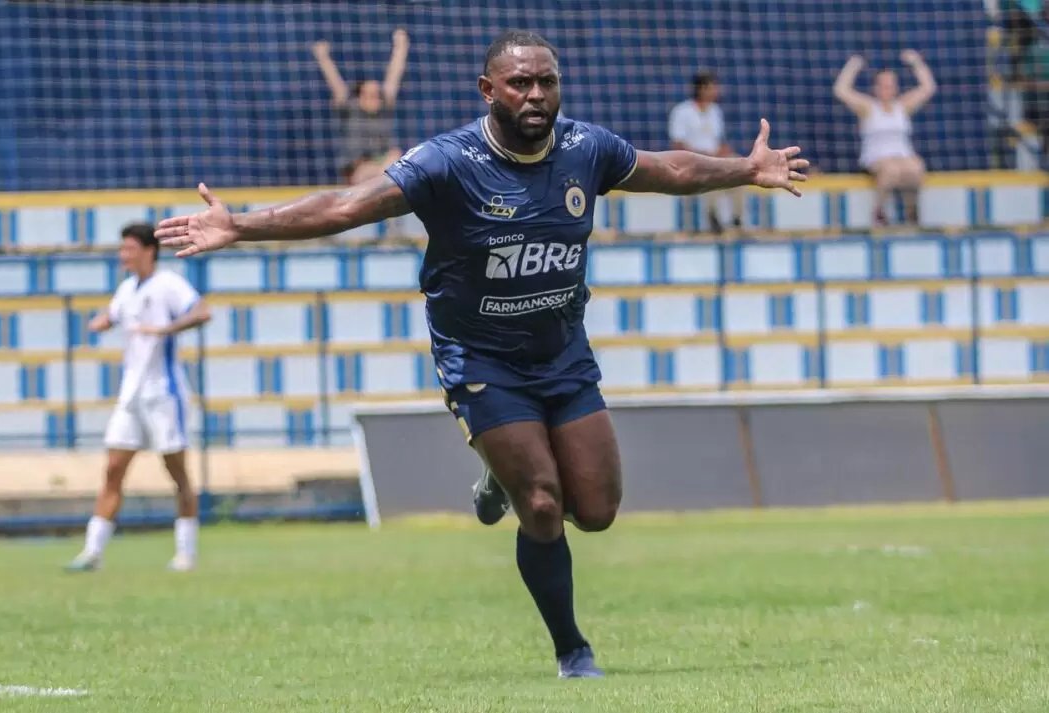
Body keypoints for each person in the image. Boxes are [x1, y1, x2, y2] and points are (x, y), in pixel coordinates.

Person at [157, 30, 807, 677]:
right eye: (520, 83)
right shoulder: (448, 162)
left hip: (562, 355)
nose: (536, 94)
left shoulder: (586, 148)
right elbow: (347, 205)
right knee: (543, 503)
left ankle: (501, 474)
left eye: (546, 82)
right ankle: (572, 649)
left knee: (598, 511)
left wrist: (748, 169)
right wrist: (242, 224)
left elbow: (672, 169)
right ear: (488, 90)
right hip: (480, 360)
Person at [65, 224, 211, 573]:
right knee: (113, 469)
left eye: (129, 249)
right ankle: (92, 552)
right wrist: (102, 322)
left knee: (176, 472)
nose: (124, 255)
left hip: (164, 393)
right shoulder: (127, 289)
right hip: (131, 394)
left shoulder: (168, 283)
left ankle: (186, 553)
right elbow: (115, 315)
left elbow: (202, 312)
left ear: (149, 251)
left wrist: (164, 329)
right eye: (122, 249)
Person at [833, 50, 937, 226]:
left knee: (916, 168)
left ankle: (912, 211)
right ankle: (879, 211)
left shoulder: (902, 106)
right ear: (876, 87)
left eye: (891, 85)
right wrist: (852, 66)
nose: (887, 88)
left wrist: (916, 62)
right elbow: (841, 91)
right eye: (883, 85)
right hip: (876, 157)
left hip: (903, 155)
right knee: (891, 171)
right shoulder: (868, 107)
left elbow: (928, 88)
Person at [312, 29, 410, 185]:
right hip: (358, 169)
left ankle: (384, 183)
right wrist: (323, 57)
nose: (375, 98)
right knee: (376, 171)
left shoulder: (384, 108)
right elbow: (335, 83)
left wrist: (401, 47)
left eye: (377, 95)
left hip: (381, 164)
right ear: (359, 97)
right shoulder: (350, 108)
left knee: (395, 155)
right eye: (369, 95)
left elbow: (394, 75)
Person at [669, 71, 744, 233]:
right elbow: (678, 145)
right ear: (701, 88)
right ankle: (713, 217)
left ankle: (737, 218)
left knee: (741, 166)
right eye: (712, 87)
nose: (716, 91)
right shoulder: (682, 111)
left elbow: (719, 141)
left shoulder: (715, 111)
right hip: (692, 160)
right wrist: (702, 155)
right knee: (711, 173)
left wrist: (723, 151)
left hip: (714, 158)